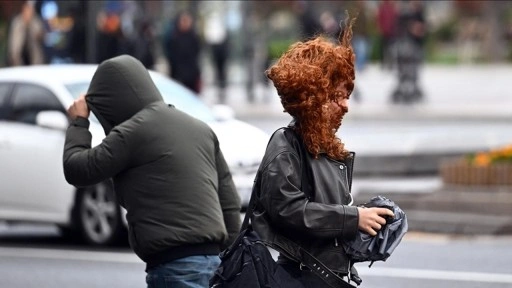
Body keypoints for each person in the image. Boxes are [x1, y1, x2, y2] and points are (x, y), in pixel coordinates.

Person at [62, 55, 241, 288]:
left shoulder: (132, 132)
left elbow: (77, 169)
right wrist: (228, 261)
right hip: (214, 264)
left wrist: (79, 122)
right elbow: (229, 202)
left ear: (112, 102)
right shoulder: (199, 128)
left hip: (175, 268)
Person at [250, 15, 394, 287]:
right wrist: (354, 218)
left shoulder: (327, 148)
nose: (345, 106)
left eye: (347, 96)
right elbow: (289, 210)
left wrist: (367, 221)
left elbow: (327, 220)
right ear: (312, 98)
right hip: (302, 278)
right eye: (337, 96)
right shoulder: (286, 145)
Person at [166, 11, 202, 94]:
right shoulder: (174, 38)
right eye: (183, 20)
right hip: (178, 75)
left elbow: (196, 55)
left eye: (187, 21)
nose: (186, 23)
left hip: (192, 75)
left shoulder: (194, 37)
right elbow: (172, 57)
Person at [7, 0, 45, 66]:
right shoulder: (17, 22)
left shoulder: (36, 21)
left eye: (30, 11)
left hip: (34, 57)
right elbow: (13, 42)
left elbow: (40, 36)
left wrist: (30, 25)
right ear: (23, 10)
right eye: (27, 11)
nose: (29, 13)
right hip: (19, 56)